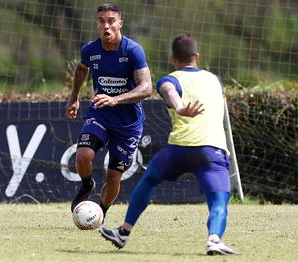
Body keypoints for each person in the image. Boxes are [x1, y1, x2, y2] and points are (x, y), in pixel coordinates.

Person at [99, 34, 238, 256]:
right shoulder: (214, 80)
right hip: (212, 149)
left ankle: (124, 232)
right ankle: (214, 239)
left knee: (148, 181)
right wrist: (182, 107)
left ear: (173, 59)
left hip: (179, 148)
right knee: (218, 197)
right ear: (196, 56)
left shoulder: (167, 79)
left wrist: (180, 108)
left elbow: (169, 91)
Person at [65, 3, 152, 219]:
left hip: (128, 123)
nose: (107, 26)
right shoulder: (90, 50)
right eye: (102, 21)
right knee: (83, 154)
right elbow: (82, 69)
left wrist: (116, 99)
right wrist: (74, 98)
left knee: (113, 177)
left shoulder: (133, 51)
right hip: (100, 113)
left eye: (111, 21)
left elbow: (146, 88)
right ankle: (86, 185)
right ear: (97, 24)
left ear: (120, 24)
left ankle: (100, 213)